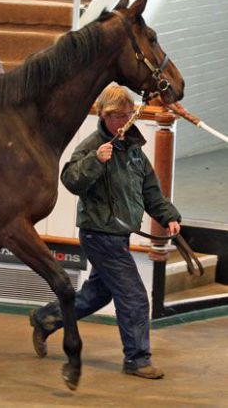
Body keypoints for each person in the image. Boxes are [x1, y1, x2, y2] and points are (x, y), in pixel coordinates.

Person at [29, 84, 182, 380]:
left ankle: (45, 318)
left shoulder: (134, 149)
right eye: (116, 116)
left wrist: (168, 217)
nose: (123, 122)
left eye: (127, 115)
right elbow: (71, 180)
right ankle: (137, 359)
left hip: (117, 234)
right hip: (99, 234)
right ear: (103, 115)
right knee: (135, 297)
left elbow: (150, 189)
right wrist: (95, 162)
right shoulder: (91, 146)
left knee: (96, 295)